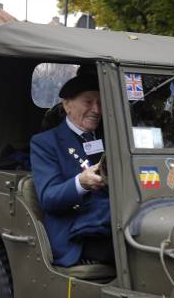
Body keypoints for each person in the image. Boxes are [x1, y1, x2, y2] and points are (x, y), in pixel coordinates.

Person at [30, 65, 112, 267]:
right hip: (75, 233)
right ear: (67, 105)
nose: (96, 109)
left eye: (100, 103)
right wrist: (81, 183)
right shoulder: (46, 143)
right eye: (88, 102)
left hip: (113, 221)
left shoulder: (110, 137)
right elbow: (49, 197)